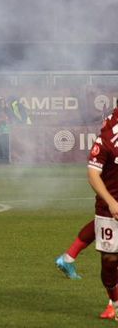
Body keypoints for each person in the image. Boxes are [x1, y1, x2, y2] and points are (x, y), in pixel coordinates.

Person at [86, 104, 118, 320]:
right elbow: (93, 174)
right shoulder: (107, 136)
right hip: (109, 210)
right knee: (109, 261)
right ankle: (115, 301)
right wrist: (111, 202)